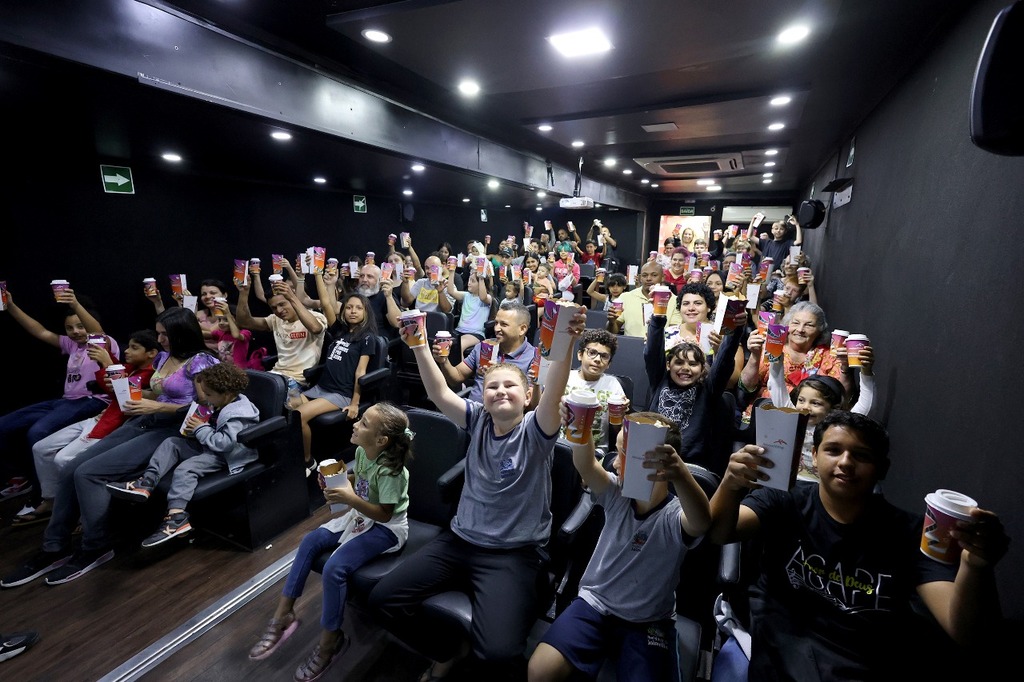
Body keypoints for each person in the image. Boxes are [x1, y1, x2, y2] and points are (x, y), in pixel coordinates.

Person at [369, 298, 587, 681]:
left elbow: (554, 390)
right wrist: (419, 346)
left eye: (510, 386)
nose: (500, 392)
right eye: (492, 387)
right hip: (459, 541)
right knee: (382, 599)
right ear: (482, 395)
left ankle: (468, 650)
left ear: (528, 396)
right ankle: (448, 650)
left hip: (511, 554)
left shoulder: (537, 431)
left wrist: (566, 341)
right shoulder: (479, 421)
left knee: (499, 656)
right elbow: (439, 393)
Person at [707, 411, 1010, 680]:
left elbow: (965, 632)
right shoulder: (784, 500)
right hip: (782, 641)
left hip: (859, 657)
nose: (846, 463)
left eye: (862, 455)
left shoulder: (908, 533)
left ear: (882, 468)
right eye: (833, 450)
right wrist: (731, 484)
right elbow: (722, 533)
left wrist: (975, 565)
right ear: (814, 455)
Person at [1, 307, 218, 588]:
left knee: (88, 473)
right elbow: (156, 390)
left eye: (165, 335)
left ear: (181, 333)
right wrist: (136, 393)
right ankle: (54, 547)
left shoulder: (203, 362)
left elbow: (208, 407)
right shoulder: (165, 356)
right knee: (69, 468)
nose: (160, 340)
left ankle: (96, 546)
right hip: (144, 420)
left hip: (173, 430)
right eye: (159, 333)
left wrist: (159, 406)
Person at [528, 411, 711, 681]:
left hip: (647, 620)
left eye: (623, 454)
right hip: (596, 603)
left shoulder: (673, 515)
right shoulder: (617, 494)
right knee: (539, 669)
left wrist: (681, 474)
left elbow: (701, 521)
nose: (614, 464)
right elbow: (587, 466)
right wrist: (581, 427)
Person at [247, 403, 412, 681]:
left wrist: (348, 498)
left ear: (382, 440)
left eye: (364, 423)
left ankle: (329, 642)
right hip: (361, 515)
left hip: (387, 529)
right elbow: (359, 480)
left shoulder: (393, 472)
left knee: (336, 567)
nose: (356, 424)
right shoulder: (362, 452)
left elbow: (384, 514)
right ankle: (283, 614)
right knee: (311, 540)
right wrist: (338, 480)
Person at [15, 330, 160, 526]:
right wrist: (105, 364)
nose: (127, 350)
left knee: (63, 460)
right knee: (40, 448)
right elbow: (108, 387)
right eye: (129, 346)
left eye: (135, 348)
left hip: (112, 426)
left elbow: (127, 398)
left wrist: (108, 364)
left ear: (151, 353)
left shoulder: (153, 375)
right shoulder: (130, 367)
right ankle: (51, 500)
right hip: (99, 419)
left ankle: (80, 511)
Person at [105, 361, 259, 547]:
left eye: (209, 395)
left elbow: (224, 444)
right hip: (209, 445)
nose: (207, 399)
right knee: (171, 443)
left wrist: (201, 429)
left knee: (186, 469)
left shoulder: (238, 414)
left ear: (225, 394)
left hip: (226, 456)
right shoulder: (224, 401)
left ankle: (177, 516)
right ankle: (146, 482)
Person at [0, 285, 117, 503]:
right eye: (70, 328)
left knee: (37, 432)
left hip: (92, 400)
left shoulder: (103, 342)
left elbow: (97, 332)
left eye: (80, 326)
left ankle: (43, 496)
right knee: (4, 425)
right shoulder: (72, 345)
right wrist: (11, 306)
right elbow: (40, 331)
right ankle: (22, 479)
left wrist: (74, 304)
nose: (76, 331)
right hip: (64, 402)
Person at [645, 301, 743, 474]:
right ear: (668, 365)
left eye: (693, 364)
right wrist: (657, 320)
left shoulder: (708, 389)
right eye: (679, 362)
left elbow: (725, 363)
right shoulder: (660, 380)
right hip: (652, 456)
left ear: (702, 368)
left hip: (690, 465)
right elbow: (652, 353)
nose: (685, 368)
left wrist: (733, 331)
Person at [766, 338, 875, 482]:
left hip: (819, 490)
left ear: (833, 408)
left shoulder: (839, 427)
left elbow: (866, 405)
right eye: (801, 400)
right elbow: (776, 384)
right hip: (788, 484)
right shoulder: (792, 416)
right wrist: (775, 358)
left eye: (815, 403)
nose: (805, 407)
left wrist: (866, 372)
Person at [293, 292, 379, 474]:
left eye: (358, 308)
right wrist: (322, 277)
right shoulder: (340, 331)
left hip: (340, 393)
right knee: (288, 405)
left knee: (298, 416)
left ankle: (307, 461)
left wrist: (355, 403)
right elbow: (326, 303)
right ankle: (302, 450)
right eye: (348, 307)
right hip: (320, 389)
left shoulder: (367, 337)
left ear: (366, 312)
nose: (352, 311)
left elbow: (360, 371)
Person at [740, 301, 849, 409]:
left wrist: (845, 367)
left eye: (809, 325)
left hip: (811, 418)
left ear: (819, 330)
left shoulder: (829, 356)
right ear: (787, 325)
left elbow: (840, 395)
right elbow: (747, 386)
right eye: (795, 323)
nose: (800, 329)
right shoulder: (772, 347)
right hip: (765, 412)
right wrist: (755, 356)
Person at [434, 300, 540, 408]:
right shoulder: (484, 347)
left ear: (522, 329)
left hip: (505, 419)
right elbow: (456, 377)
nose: (496, 329)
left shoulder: (534, 358)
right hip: (472, 414)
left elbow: (531, 406)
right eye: (496, 323)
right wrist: (444, 361)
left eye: (504, 324)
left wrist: (495, 375)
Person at [235, 275, 328, 395]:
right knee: (242, 393)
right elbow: (244, 322)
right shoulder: (275, 320)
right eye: (274, 308)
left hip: (297, 380)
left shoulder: (316, 317)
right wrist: (243, 293)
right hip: (275, 375)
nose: (279, 310)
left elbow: (315, 328)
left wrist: (293, 297)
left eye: (282, 304)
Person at [561, 330, 627, 449]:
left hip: (596, 451)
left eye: (604, 356)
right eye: (592, 352)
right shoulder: (565, 377)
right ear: (580, 355)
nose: (597, 359)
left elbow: (616, 429)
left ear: (609, 364)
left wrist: (621, 415)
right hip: (560, 445)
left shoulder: (613, 385)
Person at [609, 261, 682, 337]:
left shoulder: (674, 300)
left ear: (663, 277)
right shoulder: (626, 297)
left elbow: (673, 334)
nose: (648, 278)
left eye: (654, 275)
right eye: (644, 275)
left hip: (660, 347)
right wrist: (611, 322)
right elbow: (614, 331)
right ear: (640, 278)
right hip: (631, 345)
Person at [447, 271, 493, 359]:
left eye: (472, 281)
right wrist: (452, 271)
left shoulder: (487, 298)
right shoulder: (466, 295)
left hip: (475, 334)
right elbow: (451, 292)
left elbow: (483, 297)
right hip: (459, 331)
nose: (469, 283)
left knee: (458, 346)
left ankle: (459, 371)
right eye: (469, 280)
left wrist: (481, 278)